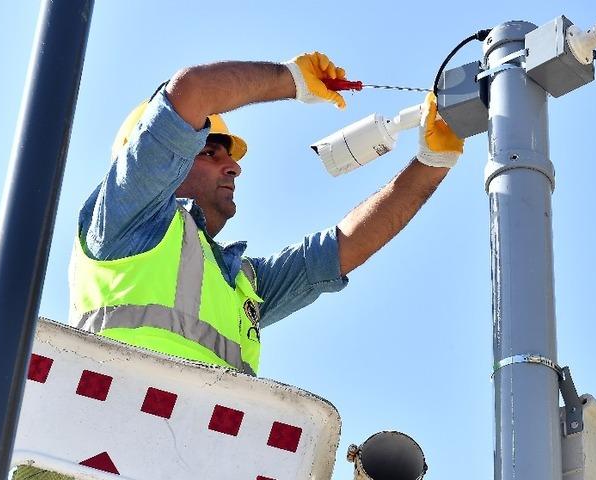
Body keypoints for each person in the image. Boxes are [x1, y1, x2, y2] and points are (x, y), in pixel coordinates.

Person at [67, 52, 464, 377]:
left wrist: (433, 160)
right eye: (210, 152)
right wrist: (291, 79)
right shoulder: (126, 215)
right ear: (153, 161)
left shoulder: (241, 284)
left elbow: (344, 248)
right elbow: (192, 92)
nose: (234, 167)